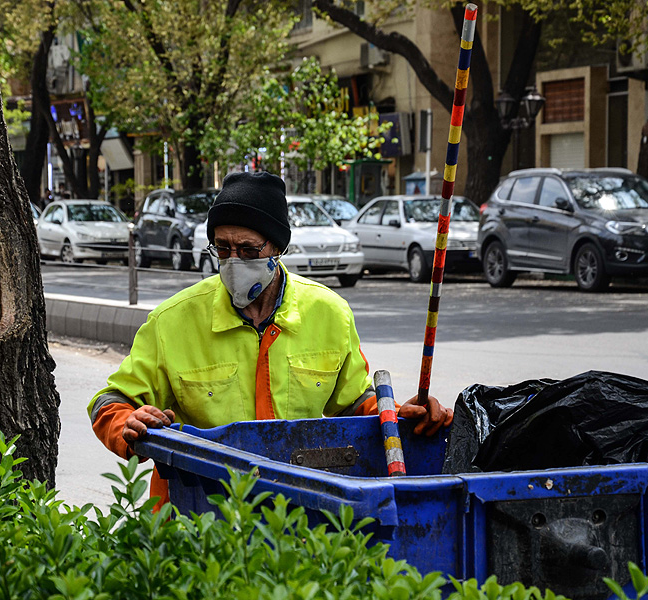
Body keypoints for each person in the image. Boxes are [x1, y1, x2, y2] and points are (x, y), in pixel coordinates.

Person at [88, 171, 453, 507]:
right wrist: (128, 424)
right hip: (197, 511)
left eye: (248, 250)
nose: (233, 261)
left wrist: (399, 416)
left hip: (300, 507)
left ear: (277, 248)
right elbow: (109, 400)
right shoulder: (172, 321)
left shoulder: (329, 313)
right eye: (222, 248)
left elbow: (356, 403)